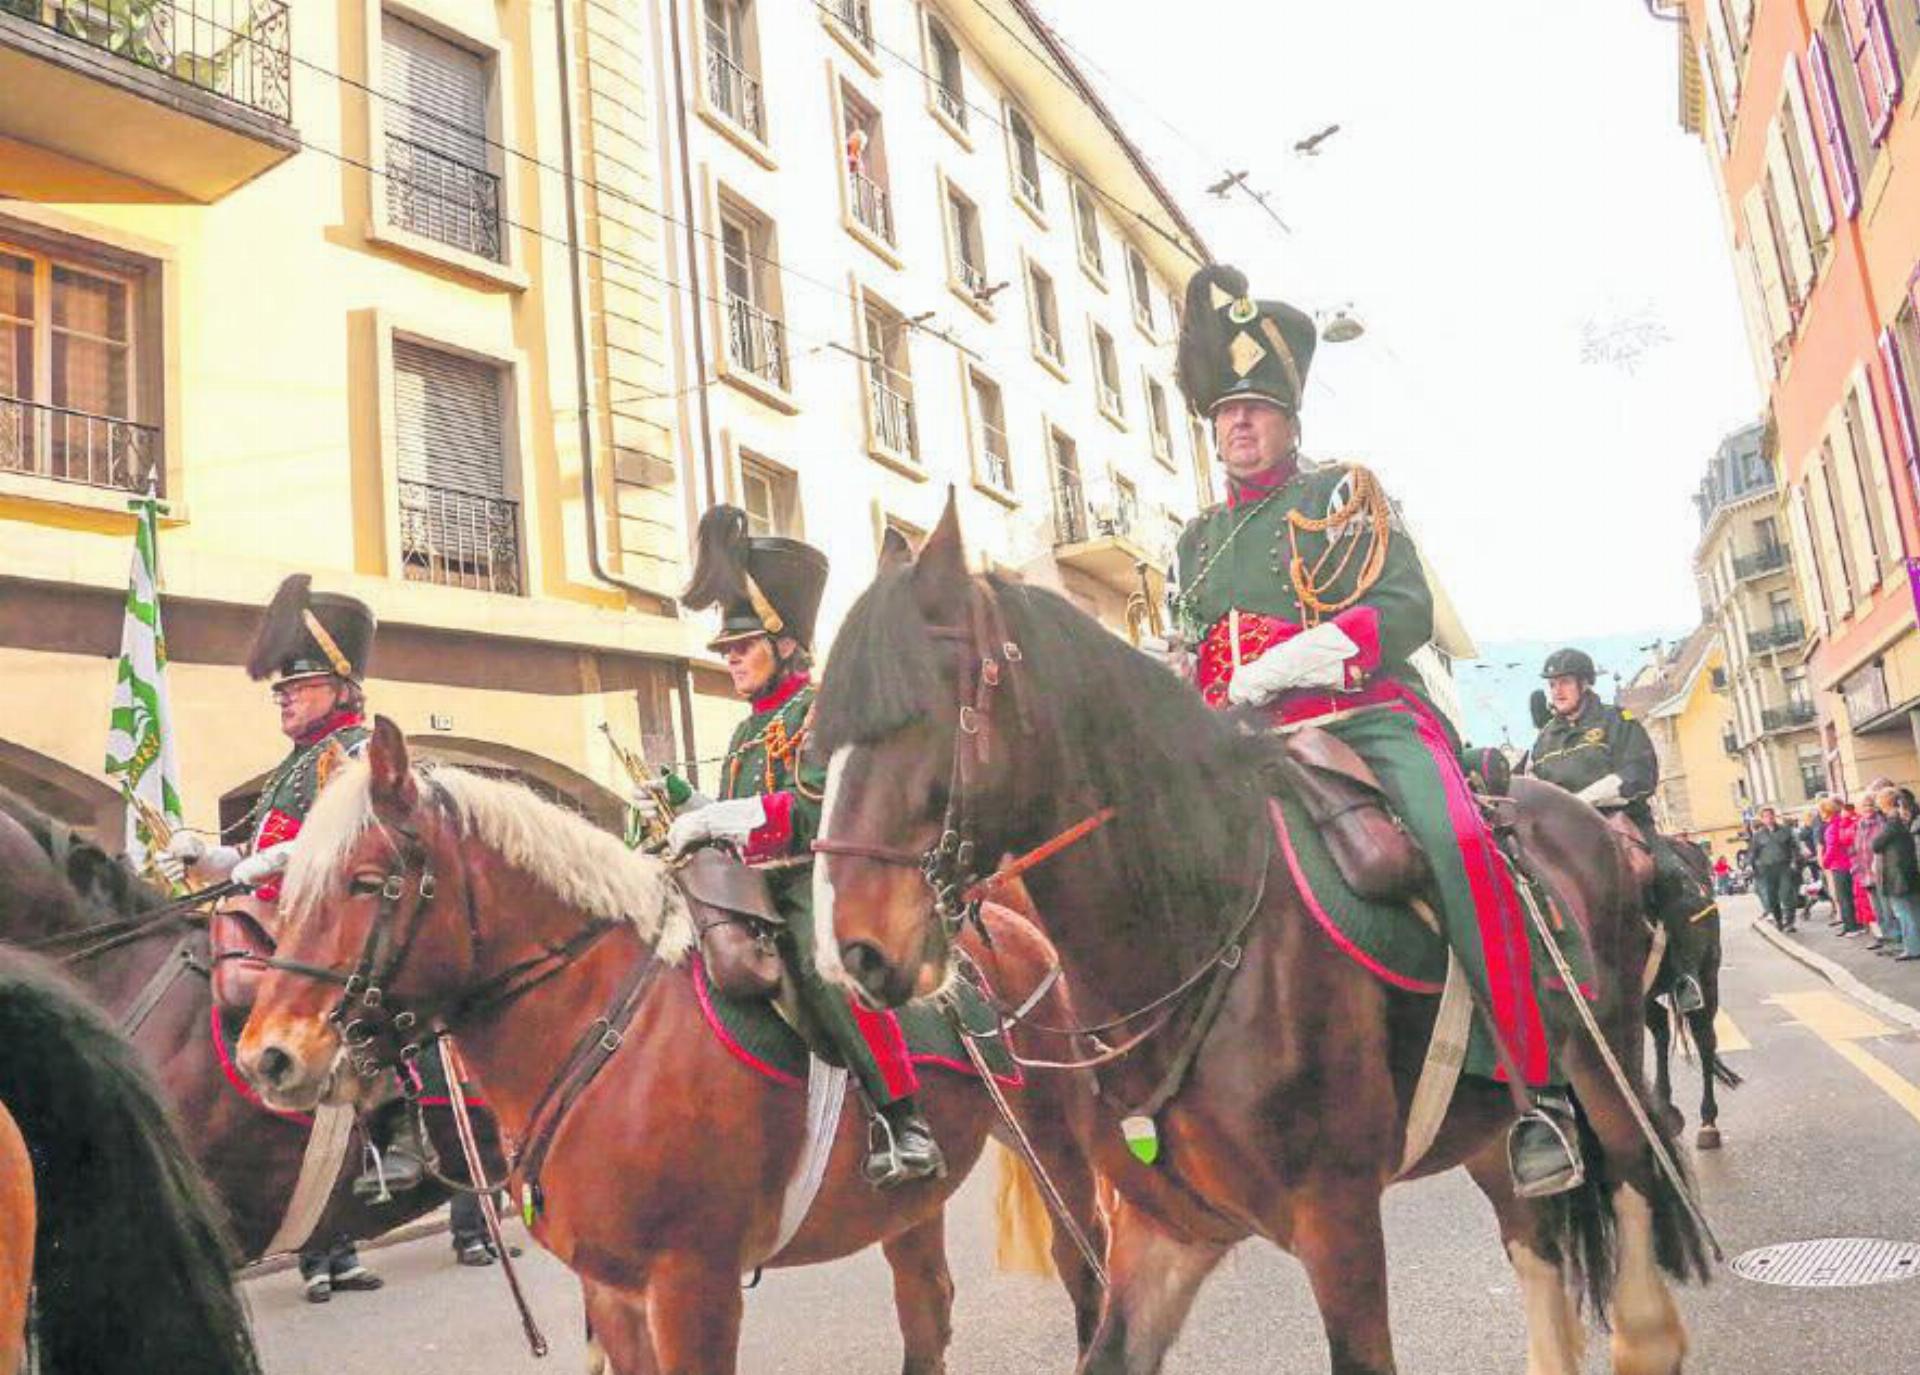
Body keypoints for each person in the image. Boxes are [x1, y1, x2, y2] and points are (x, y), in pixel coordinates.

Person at [1161, 263, 1583, 1198]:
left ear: (1290, 419)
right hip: (1234, 743)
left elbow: (1400, 609)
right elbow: (1190, 649)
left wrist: (1287, 662)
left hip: (1359, 719)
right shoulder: (1193, 542)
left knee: (1456, 837)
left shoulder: (1343, 495)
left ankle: (1538, 1086)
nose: (1240, 423)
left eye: (1257, 407)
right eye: (1226, 410)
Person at [156, 575, 420, 1302]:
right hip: (283, 916)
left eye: (298, 685)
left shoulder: (357, 750)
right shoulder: (299, 761)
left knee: (373, 1002)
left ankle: (400, 1129)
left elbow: (356, 840)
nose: (284, 697)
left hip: (338, 920)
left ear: (341, 685)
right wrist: (214, 856)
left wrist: (273, 862)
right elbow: (261, 846)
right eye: (281, 688)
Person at [670, 508, 944, 1188]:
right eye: (727, 649)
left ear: (786, 643)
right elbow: (732, 820)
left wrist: (724, 817)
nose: (731, 657)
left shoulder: (819, 711)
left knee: (826, 970)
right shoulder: (745, 732)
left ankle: (902, 1117)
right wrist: (686, 805)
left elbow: (813, 811)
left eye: (744, 645)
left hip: (806, 882)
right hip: (743, 888)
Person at [1522, 648, 1710, 1014]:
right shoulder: (1545, 739)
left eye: (1564, 682)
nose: (1557, 691)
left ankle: (1684, 975)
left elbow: (1639, 775)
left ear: (1584, 683)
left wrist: (1580, 801)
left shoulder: (1617, 721)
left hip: (1623, 821)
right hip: (1564, 834)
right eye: (1552, 684)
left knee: (1669, 875)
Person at [1749, 807, 1801, 931]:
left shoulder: (1785, 831)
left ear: (1774, 816)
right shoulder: (1758, 835)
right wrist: (1750, 866)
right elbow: (1753, 853)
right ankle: (1779, 920)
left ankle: (1790, 922)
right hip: (1767, 869)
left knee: (1787, 894)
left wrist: (1795, 861)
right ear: (1762, 819)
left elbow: (1794, 847)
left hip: (1784, 866)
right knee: (1772, 897)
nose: (1769, 818)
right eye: (1766, 816)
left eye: (1771, 815)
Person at [1819, 795, 1861, 935]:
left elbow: (1832, 847)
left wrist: (1825, 862)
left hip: (1839, 864)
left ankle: (1851, 926)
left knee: (1844, 897)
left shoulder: (1832, 827)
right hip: (1848, 862)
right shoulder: (1841, 822)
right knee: (1849, 895)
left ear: (1826, 812)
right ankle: (1853, 924)